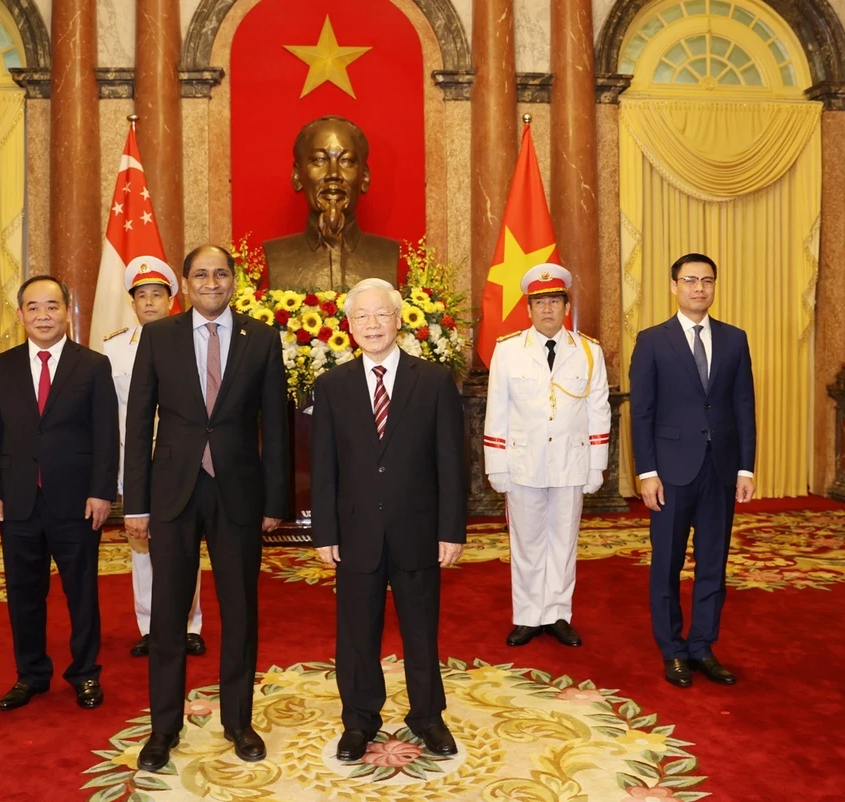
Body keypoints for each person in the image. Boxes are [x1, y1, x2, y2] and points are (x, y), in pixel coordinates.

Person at [125, 245, 289, 771]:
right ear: (186, 284)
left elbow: (277, 428)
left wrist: (276, 499)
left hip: (238, 492)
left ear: (233, 281)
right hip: (173, 491)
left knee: (240, 610)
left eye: (221, 273)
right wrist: (136, 502)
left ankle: (238, 721)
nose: (212, 281)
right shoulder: (159, 336)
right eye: (201, 274)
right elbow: (138, 423)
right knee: (169, 615)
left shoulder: (261, 339)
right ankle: (164, 728)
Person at [311, 277, 468, 762]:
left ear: (399, 321)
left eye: (382, 315)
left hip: (418, 531)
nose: (372, 325)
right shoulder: (332, 386)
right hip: (356, 533)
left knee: (421, 630)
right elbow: (324, 467)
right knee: (357, 634)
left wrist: (450, 529)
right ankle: (359, 720)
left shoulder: (435, 381)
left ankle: (427, 716)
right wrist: (326, 532)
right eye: (362, 316)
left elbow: (452, 462)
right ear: (350, 326)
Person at [0, 275, 118, 712]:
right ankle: (32, 674)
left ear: (67, 312)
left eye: (51, 306)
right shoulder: (0, 366)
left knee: (81, 592)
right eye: (33, 307)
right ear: (19, 315)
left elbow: (106, 433)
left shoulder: (92, 365)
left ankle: (85, 673)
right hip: (17, 500)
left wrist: (101, 491)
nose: (43, 315)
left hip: (75, 501)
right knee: (23, 592)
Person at [629, 253, 755, 688]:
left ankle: (702, 645)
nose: (699, 287)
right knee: (666, 563)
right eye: (690, 280)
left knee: (712, 563)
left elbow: (743, 407)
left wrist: (745, 467)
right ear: (674, 286)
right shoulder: (652, 340)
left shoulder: (735, 339)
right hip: (669, 472)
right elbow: (641, 412)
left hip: (720, 470)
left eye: (707, 280)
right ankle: (673, 650)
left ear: (715, 286)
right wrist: (646, 472)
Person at [483, 264, 610, 649]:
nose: (547, 310)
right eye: (539, 303)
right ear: (528, 309)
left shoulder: (589, 351)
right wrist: (497, 466)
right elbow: (497, 411)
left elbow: (598, 408)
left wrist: (597, 464)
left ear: (566, 306)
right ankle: (526, 616)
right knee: (526, 543)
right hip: (523, 463)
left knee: (563, 541)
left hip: (571, 463)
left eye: (554, 301)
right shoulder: (507, 352)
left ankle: (556, 613)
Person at [102, 256, 206, 660]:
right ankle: (149, 626)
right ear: (133, 303)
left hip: (183, 463)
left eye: (157, 295)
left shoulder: (190, 342)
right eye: (141, 296)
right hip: (137, 465)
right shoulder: (114, 348)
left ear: (171, 301)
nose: (149, 303)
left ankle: (189, 625)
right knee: (140, 548)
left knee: (186, 546)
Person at [263, 115, 399, 290]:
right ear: (297, 176)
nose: (333, 174)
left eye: (346, 161)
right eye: (319, 160)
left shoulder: (388, 254)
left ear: (364, 177)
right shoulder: (277, 255)